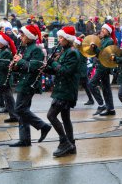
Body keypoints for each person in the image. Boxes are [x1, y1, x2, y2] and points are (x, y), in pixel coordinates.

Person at [10, 25, 52, 147]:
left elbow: (33, 68)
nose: (21, 38)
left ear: (29, 36)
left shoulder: (36, 49)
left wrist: (20, 61)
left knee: (19, 109)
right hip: (24, 82)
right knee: (23, 111)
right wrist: (15, 66)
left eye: (23, 35)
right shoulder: (26, 48)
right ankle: (25, 140)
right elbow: (23, 67)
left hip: (30, 84)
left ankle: (43, 126)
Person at [45, 26, 80, 157]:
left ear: (68, 39)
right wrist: (46, 68)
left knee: (51, 116)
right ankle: (71, 145)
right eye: (59, 37)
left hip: (66, 90)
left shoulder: (72, 52)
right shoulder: (64, 51)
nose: (59, 40)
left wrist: (53, 63)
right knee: (65, 118)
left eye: (61, 38)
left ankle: (64, 142)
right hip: (62, 89)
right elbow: (56, 70)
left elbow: (65, 71)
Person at [0, 33, 19, 124]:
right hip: (1, 78)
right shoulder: (0, 50)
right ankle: (14, 116)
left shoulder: (6, 52)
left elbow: (4, 65)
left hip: (2, 79)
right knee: (9, 98)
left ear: (3, 43)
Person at [89, 23, 116, 116]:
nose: (102, 31)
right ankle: (111, 109)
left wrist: (95, 48)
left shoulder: (109, 41)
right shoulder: (104, 40)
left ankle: (101, 105)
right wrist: (93, 48)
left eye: (104, 29)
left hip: (103, 67)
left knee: (91, 84)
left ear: (108, 32)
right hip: (102, 65)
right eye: (102, 29)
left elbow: (103, 54)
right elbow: (98, 54)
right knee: (106, 89)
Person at [74, 37, 94, 105]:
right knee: (85, 86)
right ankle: (91, 100)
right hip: (82, 71)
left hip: (81, 71)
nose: (74, 44)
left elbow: (78, 60)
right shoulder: (81, 50)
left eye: (76, 43)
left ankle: (73, 101)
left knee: (76, 86)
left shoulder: (80, 51)